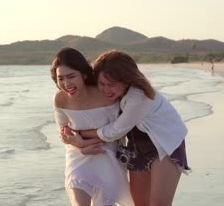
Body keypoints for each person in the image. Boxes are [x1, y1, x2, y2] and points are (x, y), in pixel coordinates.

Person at [62, 50, 190, 206]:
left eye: (111, 85)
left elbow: (115, 131)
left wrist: (82, 134)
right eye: (101, 84)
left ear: (126, 80)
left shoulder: (139, 96)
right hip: (137, 148)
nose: (106, 89)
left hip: (165, 145)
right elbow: (84, 103)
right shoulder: (112, 93)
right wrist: (72, 133)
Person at [51, 48, 134, 206]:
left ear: (83, 74)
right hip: (77, 157)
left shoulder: (106, 94)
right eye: (60, 78)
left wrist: (83, 141)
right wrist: (80, 145)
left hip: (108, 157)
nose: (66, 84)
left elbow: (118, 131)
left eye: (71, 76)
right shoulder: (60, 99)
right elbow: (64, 132)